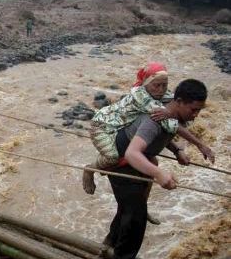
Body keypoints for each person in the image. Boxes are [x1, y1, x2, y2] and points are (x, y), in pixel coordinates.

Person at [103, 79, 208, 259]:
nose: (196, 115)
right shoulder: (155, 119)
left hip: (137, 162)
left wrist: (177, 150)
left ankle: (110, 242)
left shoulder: (171, 115)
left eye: (199, 111)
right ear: (178, 101)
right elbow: (134, 153)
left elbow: (168, 131)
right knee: (136, 214)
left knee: (129, 207)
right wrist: (159, 174)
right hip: (123, 162)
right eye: (193, 110)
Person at [82, 63, 214, 202]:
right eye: (156, 85)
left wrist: (176, 151)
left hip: (121, 125)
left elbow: (170, 114)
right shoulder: (142, 96)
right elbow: (170, 124)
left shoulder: (163, 96)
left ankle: (143, 202)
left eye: (164, 85)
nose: (161, 90)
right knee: (112, 156)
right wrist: (200, 145)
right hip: (102, 126)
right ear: (145, 84)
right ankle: (90, 169)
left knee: (153, 162)